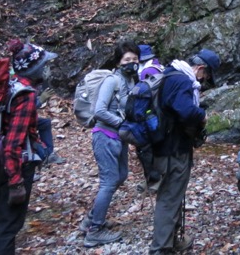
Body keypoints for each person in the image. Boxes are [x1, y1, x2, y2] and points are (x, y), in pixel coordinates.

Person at [0, 39, 57, 255]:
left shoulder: (5, 84)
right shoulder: (25, 95)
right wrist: (16, 182)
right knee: (8, 227)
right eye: (44, 65)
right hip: (14, 165)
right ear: (35, 68)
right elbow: (13, 143)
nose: (47, 69)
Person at [150, 48, 220, 254]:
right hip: (173, 150)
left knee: (173, 194)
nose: (205, 80)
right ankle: (160, 248)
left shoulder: (171, 74)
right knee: (170, 197)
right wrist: (203, 115)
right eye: (206, 75)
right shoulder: (182, 81)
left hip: (165, 146)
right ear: (201, 68)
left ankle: (172, 240)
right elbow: (186, 111)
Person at [80, 40, 139, 247]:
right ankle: (94, 230)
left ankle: (91, 218)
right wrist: (122, 123)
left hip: (119, 138)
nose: (132, 63)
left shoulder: (131, 81)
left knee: (121, 176)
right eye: (127, 60)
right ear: (119, 61)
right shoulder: (112, 80)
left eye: (134, 59)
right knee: (109, 181)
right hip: (104, 135)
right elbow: (99, 111)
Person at [136, 44, 164, 192]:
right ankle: (152, 177)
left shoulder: (147, 72)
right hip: (158, 113)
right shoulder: (158, 66)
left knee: (145, 148)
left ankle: (155, 178)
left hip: (149, 114)